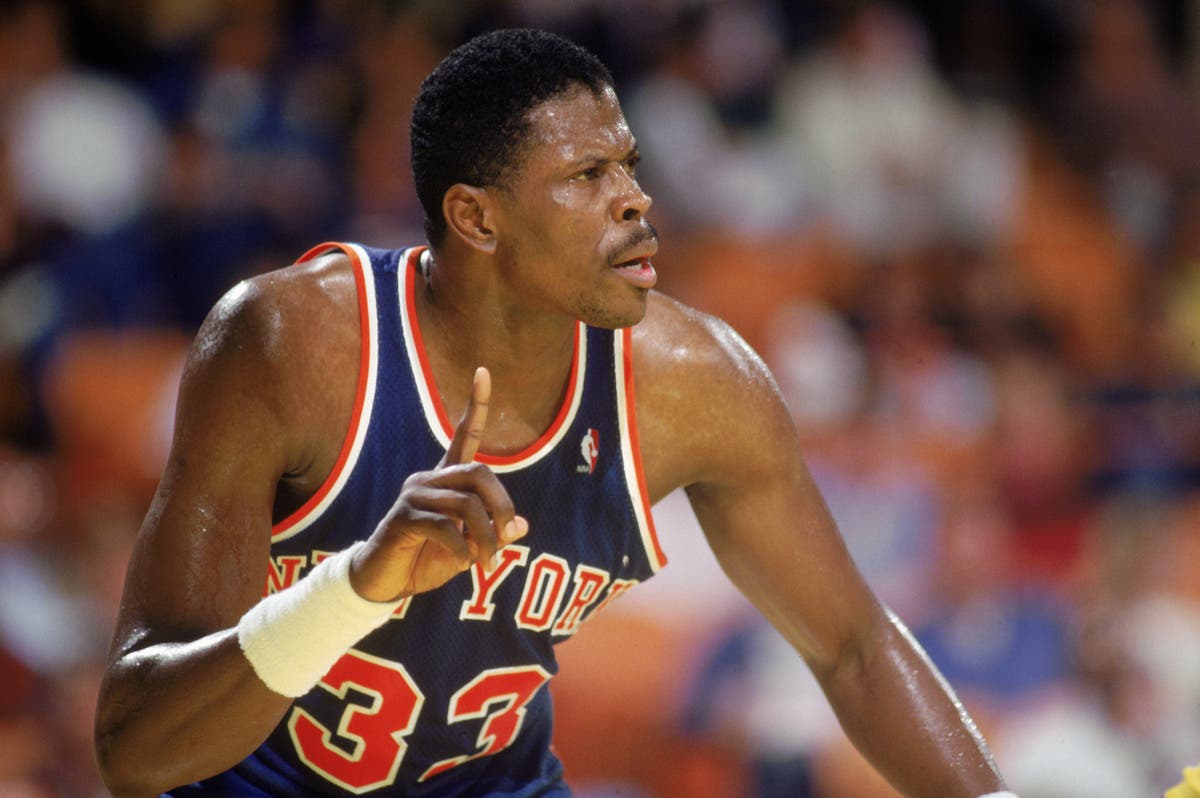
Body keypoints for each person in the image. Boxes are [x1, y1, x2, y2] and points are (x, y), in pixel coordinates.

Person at [94, 28, 1016, 798]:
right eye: (587, 174)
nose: (637, 198)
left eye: (631, 163)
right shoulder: (293, 344)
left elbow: (853, 646)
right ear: (476, 218)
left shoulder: (696, 383)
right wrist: (357, 587)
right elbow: (136, 748)